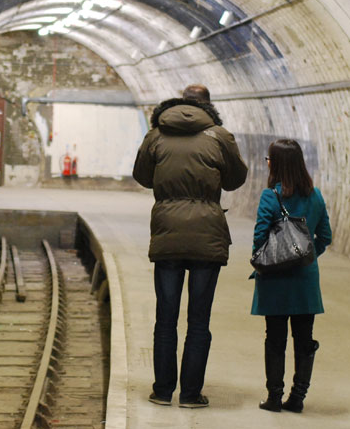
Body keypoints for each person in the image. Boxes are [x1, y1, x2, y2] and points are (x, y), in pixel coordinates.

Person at [132, 84, 248, 408]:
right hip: (207, 236)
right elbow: (235, 179)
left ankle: (162, 390)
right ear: (209, 107)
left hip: (168, 232)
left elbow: (141, 175)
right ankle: (191, 394)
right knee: (199, 320)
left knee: (165, 318)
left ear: (182, 102)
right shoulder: (219, 136)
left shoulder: (156, 135)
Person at [252, 139, 332, 414]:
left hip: (274, 279)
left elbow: (260, 236)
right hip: (305, 280)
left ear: (276, 164)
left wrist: (266, 261)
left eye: (269, 159)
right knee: (304, 337)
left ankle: (274, 397)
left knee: (275, 338)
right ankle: (298, 398)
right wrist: (306, 258)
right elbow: (326, 237)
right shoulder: (316, 196)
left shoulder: (270, 196)